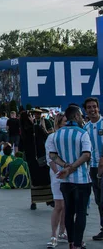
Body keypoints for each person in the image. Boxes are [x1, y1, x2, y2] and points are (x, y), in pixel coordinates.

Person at [49, 105, 92, 249]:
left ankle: (71, 242)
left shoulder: (57, 134)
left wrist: (65, 165)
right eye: (81, 115)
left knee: (69, 211)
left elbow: (52, 155)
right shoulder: (82, 133)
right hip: (81, 180)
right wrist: (72, 167)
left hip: (65, 181)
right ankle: (78, 244)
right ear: (77, 116)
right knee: (80, 213)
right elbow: (86, 155)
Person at [20, 110, 53, 210]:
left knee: (34, 180)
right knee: (45, 179)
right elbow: (46, 136)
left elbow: (21, 146)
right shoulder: (36, 128)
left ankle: (34, 201)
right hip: (40, 156)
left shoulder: (23, 131)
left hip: (30, 158)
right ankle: (49, 199)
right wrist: (42, 126)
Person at [45, 113, 68, 248]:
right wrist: (57, 173)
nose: (67, 124)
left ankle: (63, 231)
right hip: (57, 174)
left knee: (67, 206)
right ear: (59, 123)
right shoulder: (52, 137)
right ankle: (53, 234)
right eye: (64, 121)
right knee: (59, 205)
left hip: (69, 173)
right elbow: (50, 158)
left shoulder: (69, 136)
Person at [83, 97, 103, 241]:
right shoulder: (86, 128)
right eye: (89, 107)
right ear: (86, 110)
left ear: (98, 108)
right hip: (93, 168)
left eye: (94, 107)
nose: (92, 109)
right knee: (98, 200)